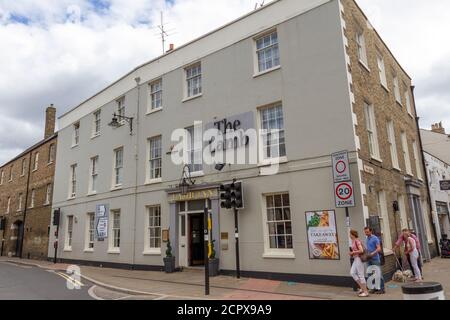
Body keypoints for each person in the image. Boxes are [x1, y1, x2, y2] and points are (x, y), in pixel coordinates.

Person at [364, 227, 385, 294]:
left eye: (367, 232)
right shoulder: (367, 239)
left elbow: (379, 249)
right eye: (365, 232)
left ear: (371, 231)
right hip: (369, 259)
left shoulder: (375, 238)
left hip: (375, 259)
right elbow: (368, 249)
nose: (366, 233)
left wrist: (372, 254)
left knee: (378, 274)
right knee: (370, 274)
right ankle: (374, 288)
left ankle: (382, 289)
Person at [349, 230, 369, 297]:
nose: (349, 235)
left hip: (359, 259)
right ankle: (362, 288)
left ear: (353, 234)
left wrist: (353, 252)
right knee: (352, 273)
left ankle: (366, 292)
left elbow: (361, 250)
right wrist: (352, 253)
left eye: (350, 234)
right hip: (355, 259)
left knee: (361, 275)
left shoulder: (357, 241)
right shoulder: (353, 241)